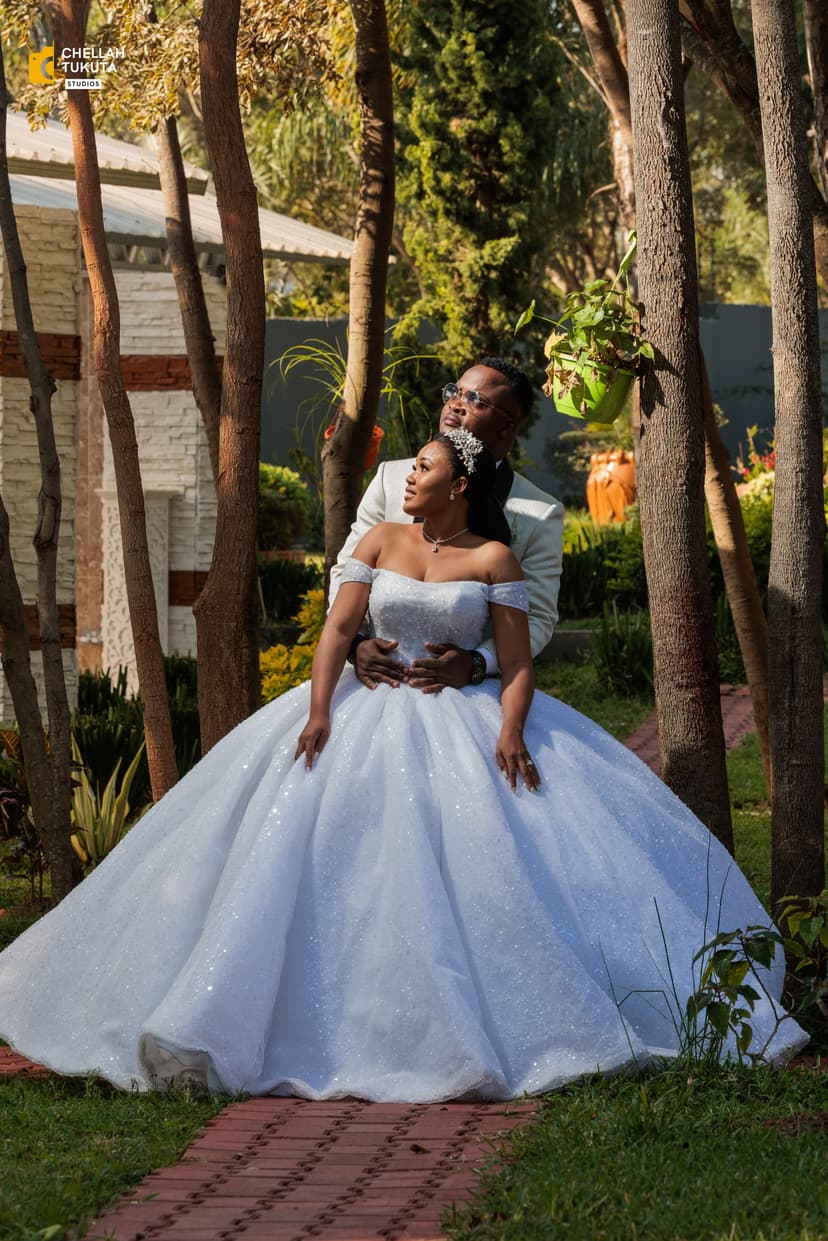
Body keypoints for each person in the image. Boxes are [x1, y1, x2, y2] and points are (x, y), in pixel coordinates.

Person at [0, 431, 805, 1101]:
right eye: (413, 467)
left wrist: (512, 729)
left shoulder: (494, 557)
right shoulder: (379, 539)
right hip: (363, 708)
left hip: (463, 716)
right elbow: (335, 629)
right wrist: (320, 708)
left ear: (458, 485)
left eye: (423, 468)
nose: (409, 478)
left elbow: (519, 664)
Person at [329, 357, 564, 693]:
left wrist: (478, 662)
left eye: (475, 400)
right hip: (376, 684)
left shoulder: (540, 512)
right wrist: (356, 645)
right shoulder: (390, 479)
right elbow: (345, 572)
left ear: (507, 428)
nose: (456, 404)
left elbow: (538, 618)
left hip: (471, 695)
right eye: (456, 392)